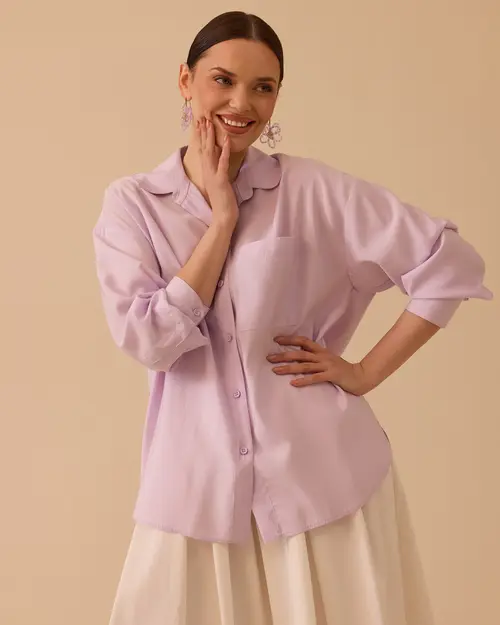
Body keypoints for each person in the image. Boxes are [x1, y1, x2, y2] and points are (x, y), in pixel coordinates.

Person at [92, 10, 493, 625]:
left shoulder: (312, 190)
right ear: (185, 81)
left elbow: (450, 265)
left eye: (263, 87)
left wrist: (363, 372)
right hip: (196, 490)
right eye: (223, 80)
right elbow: (149, 341)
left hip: (323, 487)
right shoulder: (133, 206)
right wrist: (221, 223)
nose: (241, 103)